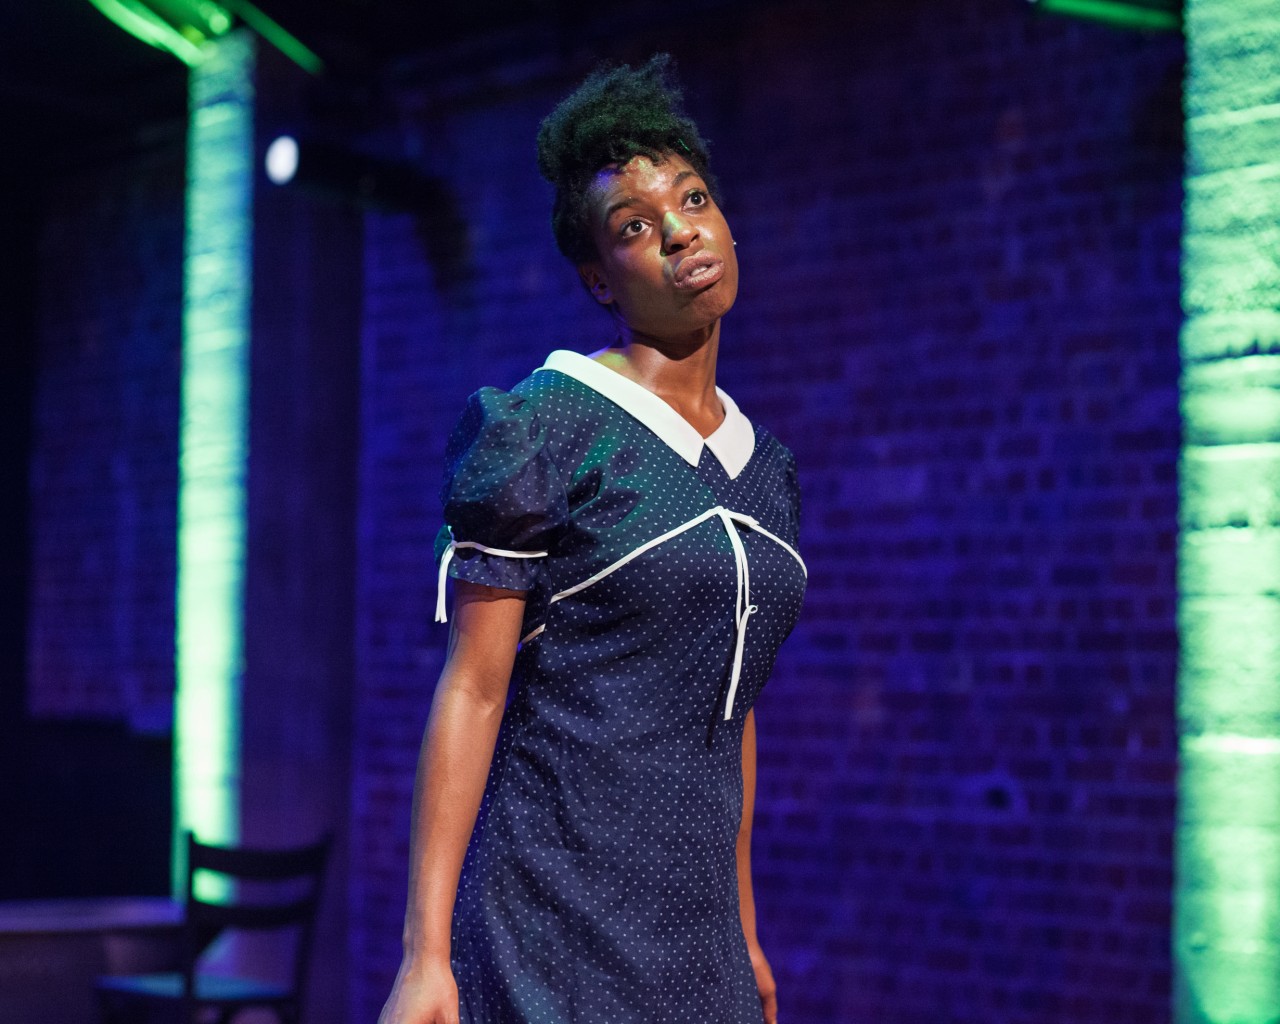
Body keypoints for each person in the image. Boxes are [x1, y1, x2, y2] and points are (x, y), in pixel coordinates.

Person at [379, 54, 807, 1024]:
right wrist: (425, 956)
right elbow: (473, 686)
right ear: (598, 279)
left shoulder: (766, 466)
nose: (680, 231)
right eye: (633, 227)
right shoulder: (543, 425)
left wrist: (742, 931)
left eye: (691, 199)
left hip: (697, 941)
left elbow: (730, 706)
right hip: (551, 925)